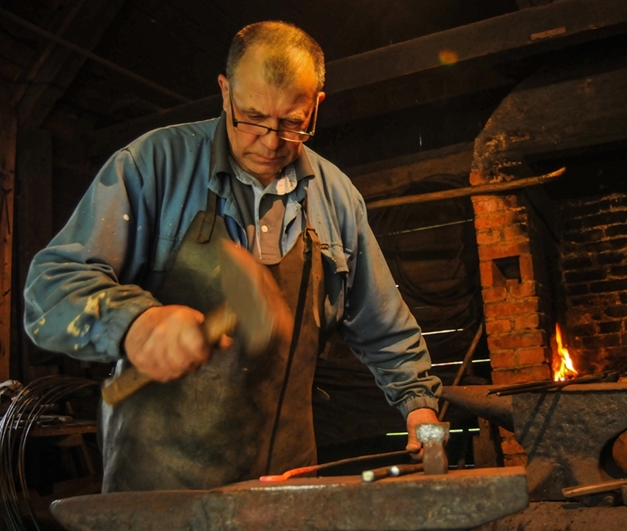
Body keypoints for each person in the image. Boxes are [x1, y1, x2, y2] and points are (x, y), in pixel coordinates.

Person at [23, 21, 441, 493]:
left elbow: (385, 328)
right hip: (158, 496)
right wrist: (134, 325)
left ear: (316, 106)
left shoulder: (336, 198)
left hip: (284, 488)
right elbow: (50, 289)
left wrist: (422, 415)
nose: (270, 140)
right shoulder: (153, 166)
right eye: (252, 116)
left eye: (292, 122)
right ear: (225, 93)